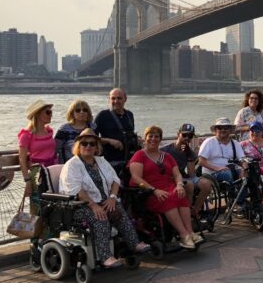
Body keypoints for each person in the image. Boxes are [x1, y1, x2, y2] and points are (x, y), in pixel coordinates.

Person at [60, 129, 150, 268]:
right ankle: (105, 257)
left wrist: (113, 197)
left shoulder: (101, 161)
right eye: (84, 143)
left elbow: (115, 180)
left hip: (104, 201)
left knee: (118, 210)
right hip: (80, 205)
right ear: (79, 146)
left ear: (97, 147)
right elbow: (77, 190)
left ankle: (134, 244)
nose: (88, 146)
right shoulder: (72, 165)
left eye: (92, 143)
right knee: (100, 217)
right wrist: (94, 205)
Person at [128, 126, 199, 249]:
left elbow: (177, 174)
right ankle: (184, 235)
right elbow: (136, 178)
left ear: (160, 139)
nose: (153, 139)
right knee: (168, 198)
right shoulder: (139, 155)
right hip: (149, 192)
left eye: (156, 136)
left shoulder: (167, 156)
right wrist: (154, 190)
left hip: (168, 187)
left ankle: (190, 232)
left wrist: (179, 185)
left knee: (180, 195)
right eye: (150, 136)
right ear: (145, 139)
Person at [160, 123, 213, 218]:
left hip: (183, 177)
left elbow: (191, 174)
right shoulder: (165, 150)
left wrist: (193, 157)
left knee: (207, 184)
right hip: (168, 177)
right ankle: (186, 212)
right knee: (190, 184)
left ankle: (194, 211)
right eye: (184, 135)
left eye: (190, 136)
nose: (187, 138)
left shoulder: (189, 152)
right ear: (178, 135)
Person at [18, 100, 58, 209]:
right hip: (38, 174)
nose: (51, 115)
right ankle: (37, 226)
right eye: (48, 112)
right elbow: (21, 159)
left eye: (51, 112)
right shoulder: (26, 135)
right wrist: (27, 181)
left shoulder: (49, 132)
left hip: (53, 171)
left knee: (55, 206)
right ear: (38, 114)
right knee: (38, 208)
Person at [95, 88, 138, 178]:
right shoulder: (102, 115)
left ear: (125, 99)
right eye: (113, 98)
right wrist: (109, 140)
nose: (116, 101)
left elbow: (129, 133)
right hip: (110, 161)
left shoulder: (129, 115)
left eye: (119, 98)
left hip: (128, 159)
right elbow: (92, 138)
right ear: (109, 99)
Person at [197, 118, 244, 185]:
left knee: (248, 173)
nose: (223, 130)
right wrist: (217, 168)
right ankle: (233, 193)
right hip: (212, 173)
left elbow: (243, 160)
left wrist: (244, 169)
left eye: (226, 128)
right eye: (220, 128)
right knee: (227, 174)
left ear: (230, 130)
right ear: (216, 130)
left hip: (231, 169)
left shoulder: (235, 143)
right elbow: (201, 161)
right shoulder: (209, 142)